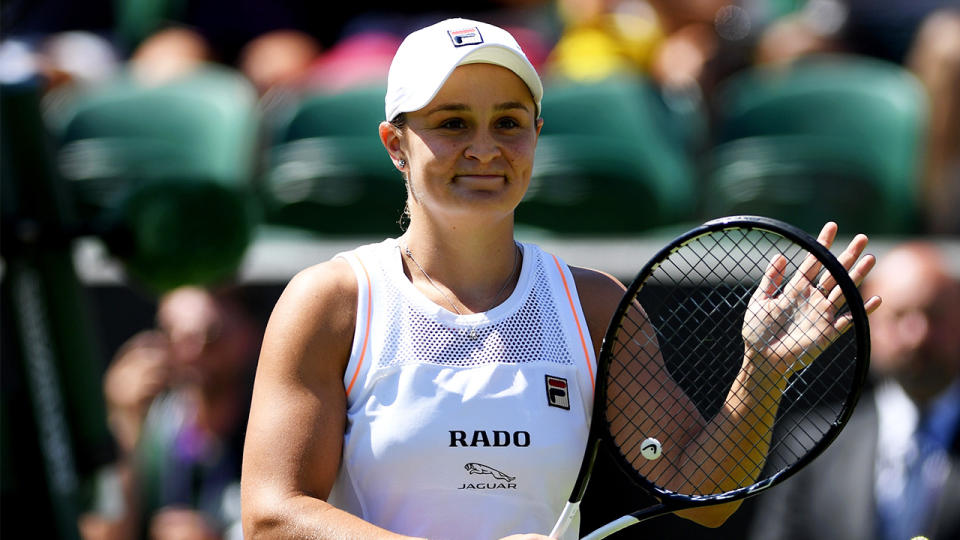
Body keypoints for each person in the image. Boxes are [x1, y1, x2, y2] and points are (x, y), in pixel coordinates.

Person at [239, 17, 880, 540]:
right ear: (395, 143)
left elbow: (698, 492)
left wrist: (760, 373)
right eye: (452, 122)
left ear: (536, 136)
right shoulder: (332, 302)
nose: (485, 148)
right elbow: (272, 516)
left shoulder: (592, 305)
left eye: (510, 123)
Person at [747, 241, 960, 540]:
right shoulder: (809, 447)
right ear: (870, 323)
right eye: (899, 316)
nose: (917, 335)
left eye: (934, 315)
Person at [82, 286, 260, 540]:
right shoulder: (152, 427)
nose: (191, 352)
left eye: (210, 335)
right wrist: (122, 422)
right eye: (171, 335)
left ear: (248, 335)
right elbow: (103, 533)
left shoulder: (270, 427)